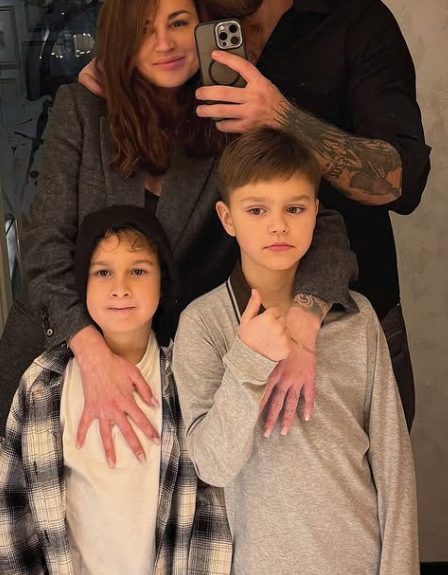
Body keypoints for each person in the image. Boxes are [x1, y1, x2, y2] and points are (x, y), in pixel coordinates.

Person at [82, 0, 429, 430]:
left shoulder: (352, 21)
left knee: (370, 478)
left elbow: (402, 182)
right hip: (228, 330)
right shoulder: (185, 50)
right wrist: (121, 67)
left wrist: (281, 117)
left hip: (351, 317)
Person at [0, 0, 357, 464]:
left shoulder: (232, 118)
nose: (164, 43)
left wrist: (306, 319)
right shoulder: (81, 110)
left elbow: (319, 222)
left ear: (202, 28)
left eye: (179, 22)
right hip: (60, 352)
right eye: (143, 29)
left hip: (175, 365)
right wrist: (91, 353)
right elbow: (45, 246)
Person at [173, 128, 417, 575]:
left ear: (316, 212)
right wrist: (248, 360)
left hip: (360, 559)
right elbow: (212, 465)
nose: (278, 225)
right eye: (257, 210)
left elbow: (393, 461)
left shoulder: (357, 317)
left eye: (295, 208)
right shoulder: (204, 324)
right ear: (227, 218)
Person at [0, 205, 231, 575]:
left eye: (138, 270)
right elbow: (14, 504)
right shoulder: (42, 384)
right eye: (103, 272)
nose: (120, 288)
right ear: (82, 285)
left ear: (163, 282)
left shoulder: (186, 377)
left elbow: (211, 508)